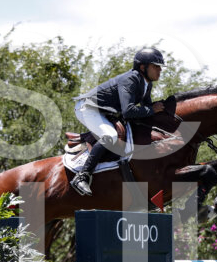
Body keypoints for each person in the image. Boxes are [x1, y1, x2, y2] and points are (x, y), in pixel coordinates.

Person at [69, 47, 167, 195]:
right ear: (143, 67)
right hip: (87, 108)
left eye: (160, 67)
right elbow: (128, 111)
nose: (160, 70)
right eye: (156, 66)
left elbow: (146, 109)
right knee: (110, 136)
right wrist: (152, 109)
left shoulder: (147, 84)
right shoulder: (131, 79)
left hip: (104, 111)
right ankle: (82, 176)